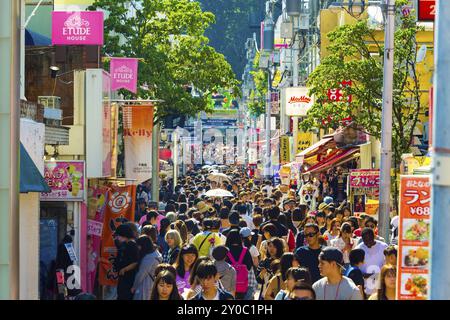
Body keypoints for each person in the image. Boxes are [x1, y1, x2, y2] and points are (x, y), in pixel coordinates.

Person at [355, 228, 389, 297]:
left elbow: (388, 265)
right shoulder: (358, 249)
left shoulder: (384, 247)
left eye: (370, 240)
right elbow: (355, 268)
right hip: (365, 288)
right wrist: (363, 275)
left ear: (374, 236)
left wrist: (377, 275)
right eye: (365, 241)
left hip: (381, 288)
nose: (368, 243)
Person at [224, 230, 253, 300]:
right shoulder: (245, 251)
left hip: (228, 284)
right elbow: (249, 267)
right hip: (241, 284)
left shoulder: (225, 251)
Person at [131, 236, 162, 300]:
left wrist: (134, 287)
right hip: (151, 284)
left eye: (139, 245)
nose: (138, 248)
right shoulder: (156, 253)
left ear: (143, 246)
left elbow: (141, 274)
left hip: (145, 285)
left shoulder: (149, 258)